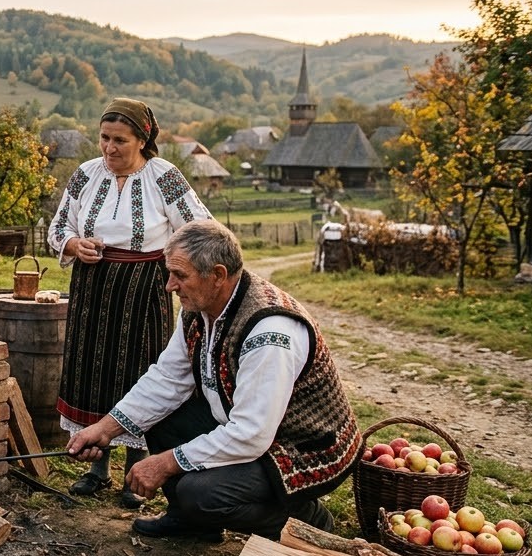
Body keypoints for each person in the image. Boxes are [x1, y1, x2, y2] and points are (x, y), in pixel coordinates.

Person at [66, 219, 362, 540]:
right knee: (159, 421)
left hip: (305, 446)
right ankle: (191, 524)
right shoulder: (200, 305)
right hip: (254, 429)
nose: (169, 285)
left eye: (180, 275)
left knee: (201, 494)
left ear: (218, 275)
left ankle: (303, 517)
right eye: (170, 273)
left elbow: (251, 434)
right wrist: (106, 428)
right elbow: (168, 378)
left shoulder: (270, 332)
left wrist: (166, 463)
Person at [46, 97, 213, 508]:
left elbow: (199, 227)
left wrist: (174, 267)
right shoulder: (85, 174)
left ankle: (134, 472)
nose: (109, 148)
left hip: (145, 287)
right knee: (92, 370)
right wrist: (72, 242)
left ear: (142, 139)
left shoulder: (164, 176)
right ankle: (96, 468)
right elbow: (57, 225)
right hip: (92, 285)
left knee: (139, 370)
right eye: (104, 138)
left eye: (120, 140)